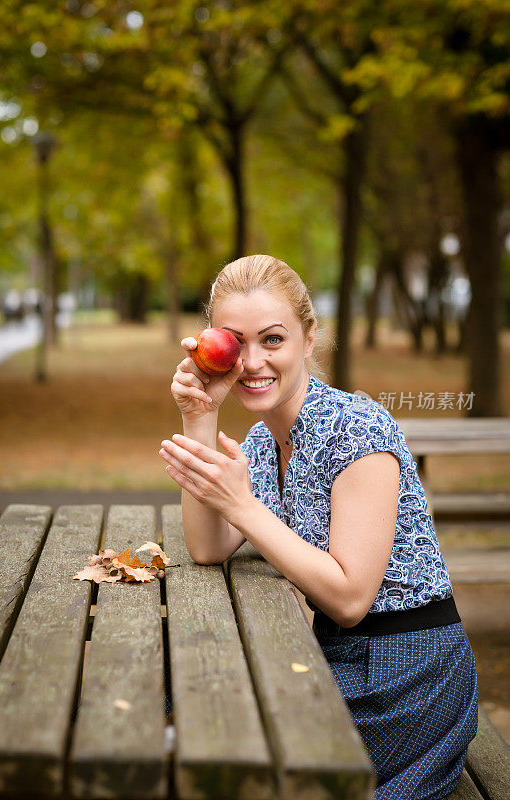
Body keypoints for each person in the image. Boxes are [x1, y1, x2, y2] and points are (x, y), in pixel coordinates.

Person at [161, 254, 478, 800]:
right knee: (181, 702)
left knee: (215, 738)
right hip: (332, 659)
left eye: (274, 340)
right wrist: (200, 416)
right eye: (237, 343)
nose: (254, 361)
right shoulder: (264, 442)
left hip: (407, 678)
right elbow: (207, 547)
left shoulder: (359, 429)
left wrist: (244, 507)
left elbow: (350, 598)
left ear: (309, 339)